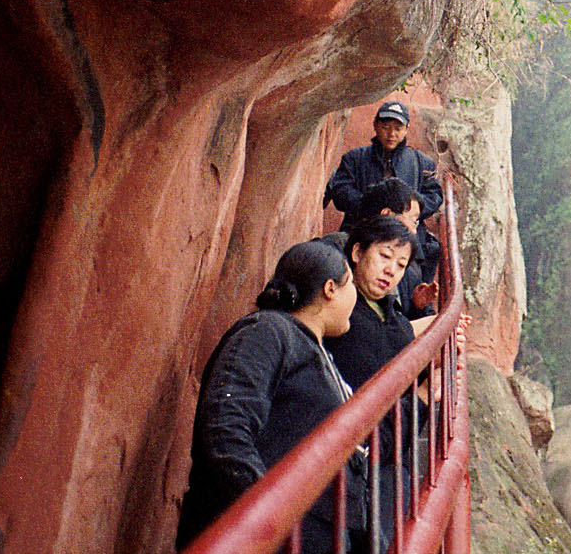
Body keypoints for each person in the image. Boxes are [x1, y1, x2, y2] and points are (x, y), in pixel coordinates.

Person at [178, 240, 363, 552]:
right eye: (352, 283)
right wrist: (268, 513)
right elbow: (226, 425)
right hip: (252, 539)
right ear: (331, 288)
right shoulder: (269, 330)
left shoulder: (313, 351)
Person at [325, 215, 433, 552]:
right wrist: (428, 392)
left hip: (368, 459)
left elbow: (396, 335)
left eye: (400, 264)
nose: (391, 271)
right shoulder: (344, 314)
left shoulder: (386, 308)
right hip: (349, 459)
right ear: (357, 252)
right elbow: (382, 347)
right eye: (384, 257)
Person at [323, 101, 444, 220]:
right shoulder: (354, 158)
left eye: (398, 129)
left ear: (406, 129)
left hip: (409, 234)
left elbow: (434, 196)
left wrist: (409, 209)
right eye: (385, 128)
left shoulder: (422, 162)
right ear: (375, 125)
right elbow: (340, 192)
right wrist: (371, 206)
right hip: (360, 229)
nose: (391, 134)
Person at [342, 177, 441, 318]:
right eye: (413, 221)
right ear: (357, 253)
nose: (414, 231)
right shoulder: (337, 250)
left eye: (400, 265)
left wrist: (417, 306)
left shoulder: (408, 270)